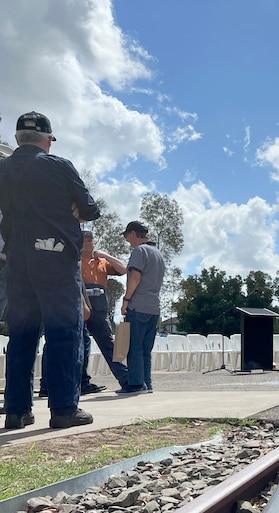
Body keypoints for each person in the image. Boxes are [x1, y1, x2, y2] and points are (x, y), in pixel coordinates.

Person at [0, 111, 100, 429]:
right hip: (54, 258)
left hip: (16, 261)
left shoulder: (3, 169)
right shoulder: (58, 167)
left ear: (17, 139)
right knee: (63, 332)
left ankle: (17, 410)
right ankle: (64, 408)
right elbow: (90, 209)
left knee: (22, 334)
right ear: (48, 140)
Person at [118, 221, 165, 395]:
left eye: (126, 236)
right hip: (154, 307)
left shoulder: (140, 251)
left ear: (132, 234)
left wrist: (126, 300)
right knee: (146, 349)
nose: (127, 240)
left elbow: (135, 278)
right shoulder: (157, 253)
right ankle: (146, 383)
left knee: (134, 347)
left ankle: (136, 384)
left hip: (138, 305)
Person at [81, 230, 130, 391]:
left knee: (109, 343)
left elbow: (123, 270)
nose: (87, 242)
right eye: (84, 240)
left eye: (90, 240)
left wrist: (106, 256)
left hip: (100, 306)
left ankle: (125, 378)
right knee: (81, 344)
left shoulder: (101, 262)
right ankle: (82, 382)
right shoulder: (74, 260)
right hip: (81, 303)